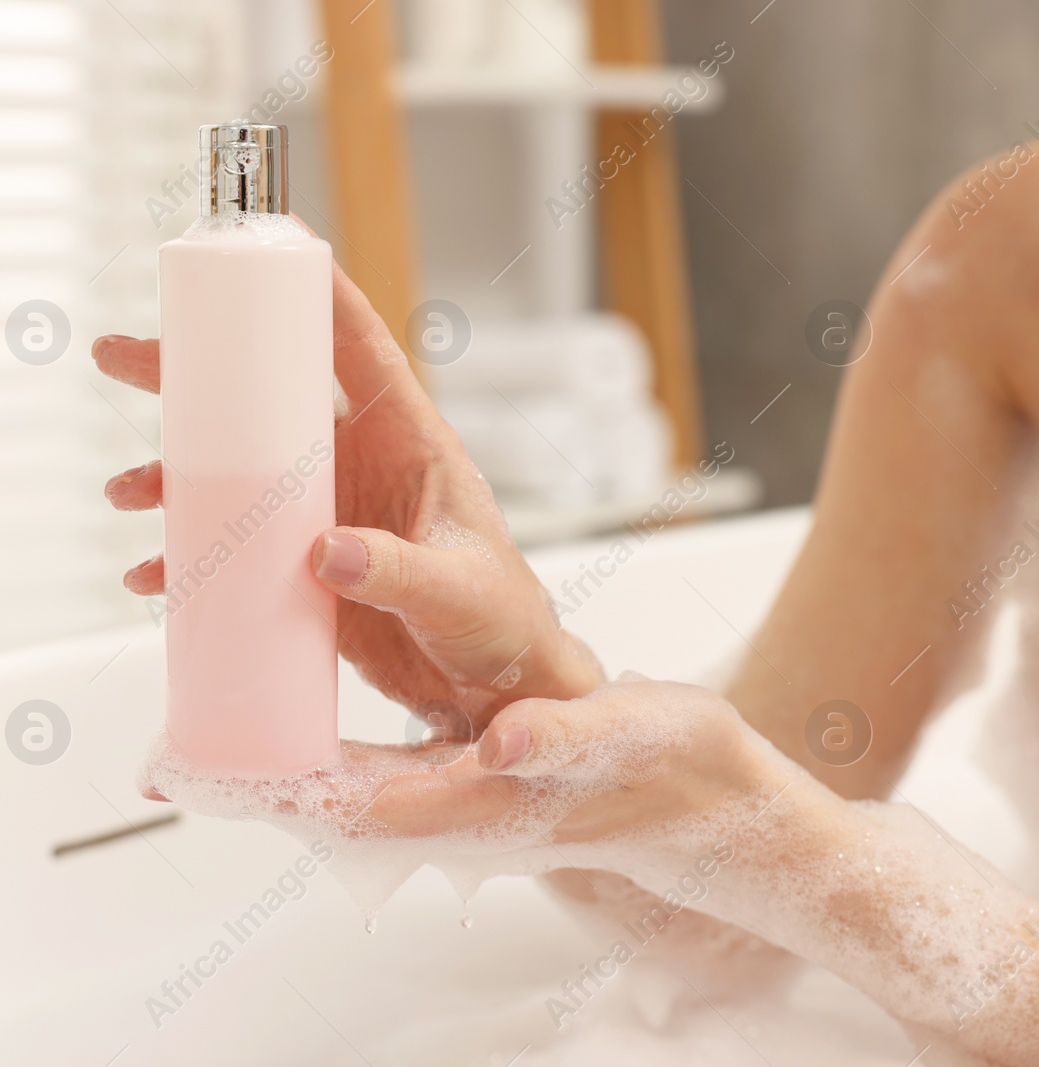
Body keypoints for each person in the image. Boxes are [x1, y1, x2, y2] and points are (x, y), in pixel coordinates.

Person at [92, 149, 1039, 1066]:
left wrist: (732, 804)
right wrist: (529, 689)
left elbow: (771, 835)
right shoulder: (999, 252)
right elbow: (713, 928)